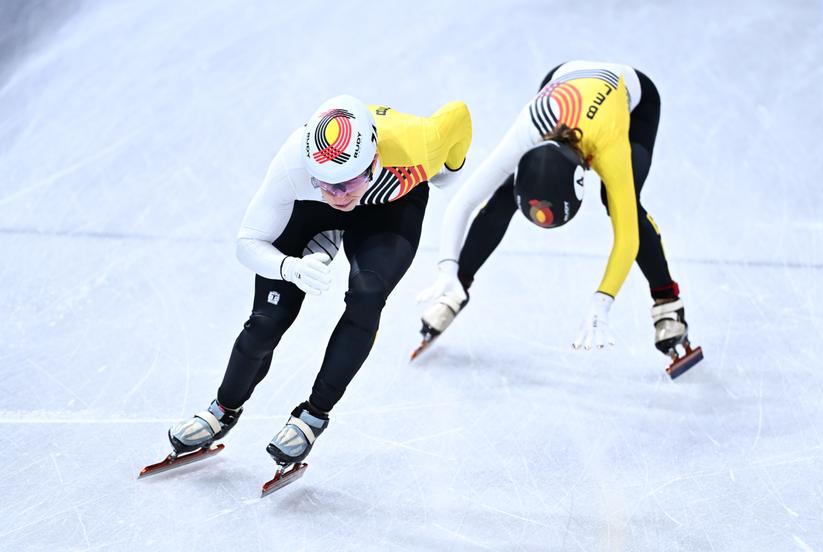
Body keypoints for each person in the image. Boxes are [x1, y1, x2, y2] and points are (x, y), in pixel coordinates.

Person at [167, 95, 472, 471]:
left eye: (346, 184)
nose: (337, 196)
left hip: (390, 207)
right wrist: (289, 268)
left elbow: (459, 116)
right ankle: (222, 408)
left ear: (373, 162)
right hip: (310, 213)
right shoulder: (294, 162)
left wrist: (449, 171)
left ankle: (313, 416)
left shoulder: (419, 143)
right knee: (265, 322)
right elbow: (247, 242)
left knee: (367, 296)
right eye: (325, 184)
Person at [417, 60, 699, 370]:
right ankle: (456, 288)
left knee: (620, 203)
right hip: (563, 78)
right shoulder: (529, 129)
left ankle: (667, 302)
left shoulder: (610, 149)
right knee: (505, 194)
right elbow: (463, 202)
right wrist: (447, 269)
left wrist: (602, 300)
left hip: (634, 100)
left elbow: (627, 235)